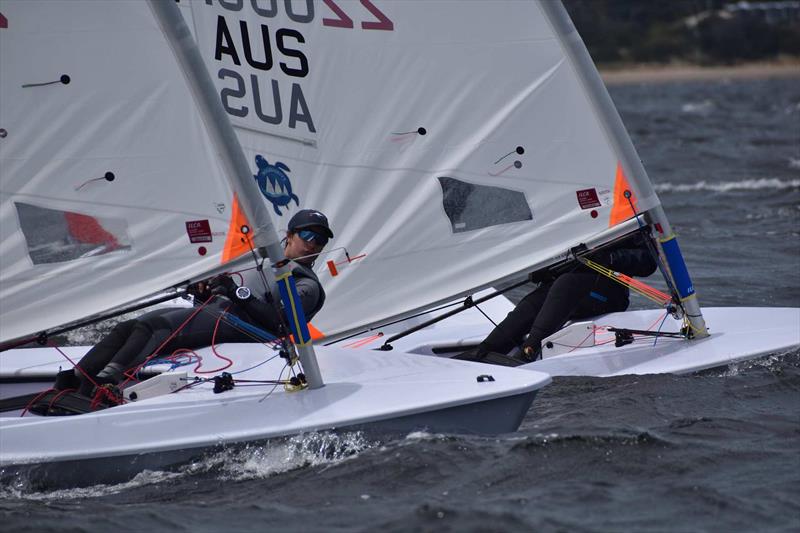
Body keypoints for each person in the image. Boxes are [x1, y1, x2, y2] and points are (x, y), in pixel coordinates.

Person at [54, 209, 334, 396]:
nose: (313, 244)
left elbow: (281, 322)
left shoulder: (305, 282)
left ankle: (106, 384)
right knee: (130, 325)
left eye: (320, 241)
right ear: (289, 234)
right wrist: (204, 289)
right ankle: (77, 379)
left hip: (247, 329)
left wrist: (235, 292)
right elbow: (228, 292)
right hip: (220, 313)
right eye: (307, 236)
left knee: (157, 325)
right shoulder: (260, 261)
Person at [457, 232, 658, 365]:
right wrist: (544, 271)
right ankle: (485, 351)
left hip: (608, 295)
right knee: (535, 302)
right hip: (567, 290)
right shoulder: (576, 214)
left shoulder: (623, 214)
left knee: (566, 283)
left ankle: (528, 351)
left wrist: (609, 259)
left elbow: (649, 262)